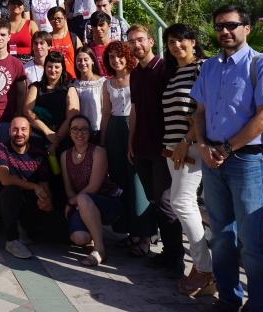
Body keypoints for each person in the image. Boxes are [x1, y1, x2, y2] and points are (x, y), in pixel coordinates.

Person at [190, 5, 263, 312]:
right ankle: (229, 300)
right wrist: (203, 145)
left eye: (231, 25)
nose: (224, 31)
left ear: (247, 27)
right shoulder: (209, 67)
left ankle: (260, 306)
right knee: (221, 237)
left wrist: (227, 148)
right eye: (219, 26)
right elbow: (200, 112)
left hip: (246, 161)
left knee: (251, 242)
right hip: (213, 159)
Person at [160, 23, 214, 297]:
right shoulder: (175, 72)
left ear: (193, 41)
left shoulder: (202, 67)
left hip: (190, 149)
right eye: (171, 42)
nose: (176, 46)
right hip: (174, 150)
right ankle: (204, 268)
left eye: (181, 40)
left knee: (181, 202)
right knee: (184, 205)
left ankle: (206, 269)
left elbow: (204, 110)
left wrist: (187, 141)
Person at [127, 24, 183, 275]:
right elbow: (136, 110)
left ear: (151, 41)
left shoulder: (164, 69)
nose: (135, 45)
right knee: (155, 201)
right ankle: (166, 253)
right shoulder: (135, 74)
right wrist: (131, 142)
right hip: (141, 148)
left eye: (140, 40)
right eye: (131, 42)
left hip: (163, 148)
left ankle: (176, 259)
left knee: (165, 202)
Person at [101, 40, 155, 256]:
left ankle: (145, 235)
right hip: (115, 129)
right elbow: (105, 114)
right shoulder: (107, 84)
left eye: (120, 55)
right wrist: (103, 144)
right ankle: (128, 233)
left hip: (136, 128)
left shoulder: (138, 77)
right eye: (111, 57)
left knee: (138, 183)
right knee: (119, 180)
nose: (116, 60)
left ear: (127, 56)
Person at [61, 115, 123, 267]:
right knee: (79, 238)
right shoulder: (65, 155)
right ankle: (92, 232)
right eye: (75, 129)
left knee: (83, 198)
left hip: (108, 201)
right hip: (82, 203)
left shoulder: (98, 152)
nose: (79, 133)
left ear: (90, 132)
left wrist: (71, 203)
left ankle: (99, 249)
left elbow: (93, 188)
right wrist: (74, 202)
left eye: (84, 129)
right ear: (69, 132)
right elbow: (69, 188)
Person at [0, 117, 52, 259]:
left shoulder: (39, 154)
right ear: (9, 131)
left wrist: (48, 204)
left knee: (60, 232)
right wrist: (34, 186)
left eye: (23, 129)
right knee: (12, 190)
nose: (19, 133)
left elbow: (45, 187)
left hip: (30, 203)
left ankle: (24, 227)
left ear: (30, 132)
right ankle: (12, 240)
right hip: (6, 201)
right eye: (15, 129)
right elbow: (5, 179)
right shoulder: (1, 148)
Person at [0, 19, 27, 154]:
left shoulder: (17, 64)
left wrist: (19, 117)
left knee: (5, 160)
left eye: (3, 35)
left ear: (9, 37)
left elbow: (21, 93)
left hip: (6, 120)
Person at [24, 51, 79, 154]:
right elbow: (27, 111)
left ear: (62, 68)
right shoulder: (35, 87)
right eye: (50, 66)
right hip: (39, 135)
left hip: (63, 137)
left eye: (57, 67)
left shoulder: (69, 89)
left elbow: (72, 115)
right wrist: (47, 132)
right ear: (45, 68)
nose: (53, 70)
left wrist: (56, 140)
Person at [73, 46, 106, 143]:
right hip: (77, 132)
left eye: (85, 59)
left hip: (95, 131)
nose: (82, 63)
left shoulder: (102, 83)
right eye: (79, 60)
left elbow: (105, 112)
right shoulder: (73, 84)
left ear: (92, 61)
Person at [47, 6, 82, 80]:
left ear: (65, 19)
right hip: (52, 79)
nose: (56, 21)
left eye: (59, 18)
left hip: (72, 79)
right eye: (53, 19)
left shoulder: (73, 37)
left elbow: (81, 56)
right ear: (49, 21)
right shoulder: (46, 39)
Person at [9, 0, 38, 64]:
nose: (16, 5)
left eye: (19, 4)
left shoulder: (31, 24)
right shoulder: (3, 25)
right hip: (8, 61)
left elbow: (38, 43)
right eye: (13, 3)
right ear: (8, 6)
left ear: (24, 7)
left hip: (27, 62)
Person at [86, 12, 112, 78]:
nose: (98, 28)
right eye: (95, 25)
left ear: (109, 26)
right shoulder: (88, 49)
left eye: (101, 25)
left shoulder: (117, 47)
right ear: (91, 27)